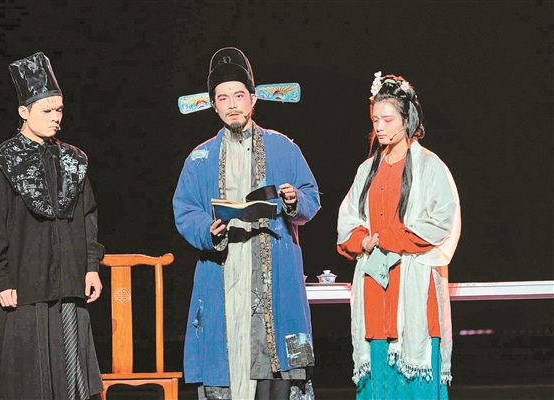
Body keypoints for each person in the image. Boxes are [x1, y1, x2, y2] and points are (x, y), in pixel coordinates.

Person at [173, 47, 320, 400]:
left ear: (253, 99)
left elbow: (311, 197)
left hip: (274, 268)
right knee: (227, 356)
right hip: (223, 270)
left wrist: (293, 201)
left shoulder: (283, 148)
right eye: (223, 98)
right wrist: (207, 231)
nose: (232, 105)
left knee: (275, 363)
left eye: (239, 95)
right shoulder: (200, 157)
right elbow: (185, 209)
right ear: (214, 104)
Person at [0, 52, 105, 400]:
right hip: (24, 288)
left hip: (69, 285)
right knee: (27, 382)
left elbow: (88, 215)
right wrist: (0, 278)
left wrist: (91, 266)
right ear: (24, 111)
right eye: (47, 111)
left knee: (71, 382)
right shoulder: (1, 163)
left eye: (59, 110)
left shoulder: (73, 159)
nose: (56, 118)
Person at [336, 72, 461, 399]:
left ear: (407, 120)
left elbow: (442, 221)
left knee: (414, 383)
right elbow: (347, 221)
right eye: (375, 120)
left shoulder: (430, 166)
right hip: (375, 288)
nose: (379, 127)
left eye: (388, 120)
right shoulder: (367, 170)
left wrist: (389, 237)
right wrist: (362, 240)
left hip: (412, 285)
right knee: (379, 379)